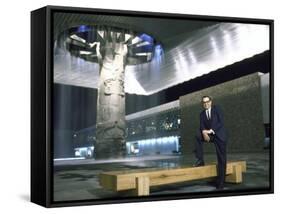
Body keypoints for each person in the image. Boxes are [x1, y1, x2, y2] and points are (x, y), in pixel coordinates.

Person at [193, 95, 227, 190]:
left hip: (219, 135)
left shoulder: (217, 109)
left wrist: (210, 131)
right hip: (209, 136)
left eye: (207, 101)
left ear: (211, 102)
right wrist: (204, 132)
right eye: (204, 102)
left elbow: (221, 123)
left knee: (222, 160)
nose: (206, 103)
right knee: (197, 136)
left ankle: (221, 183)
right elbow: (202, 125)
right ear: (202, 104)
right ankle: (200, 160)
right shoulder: (202, 114)